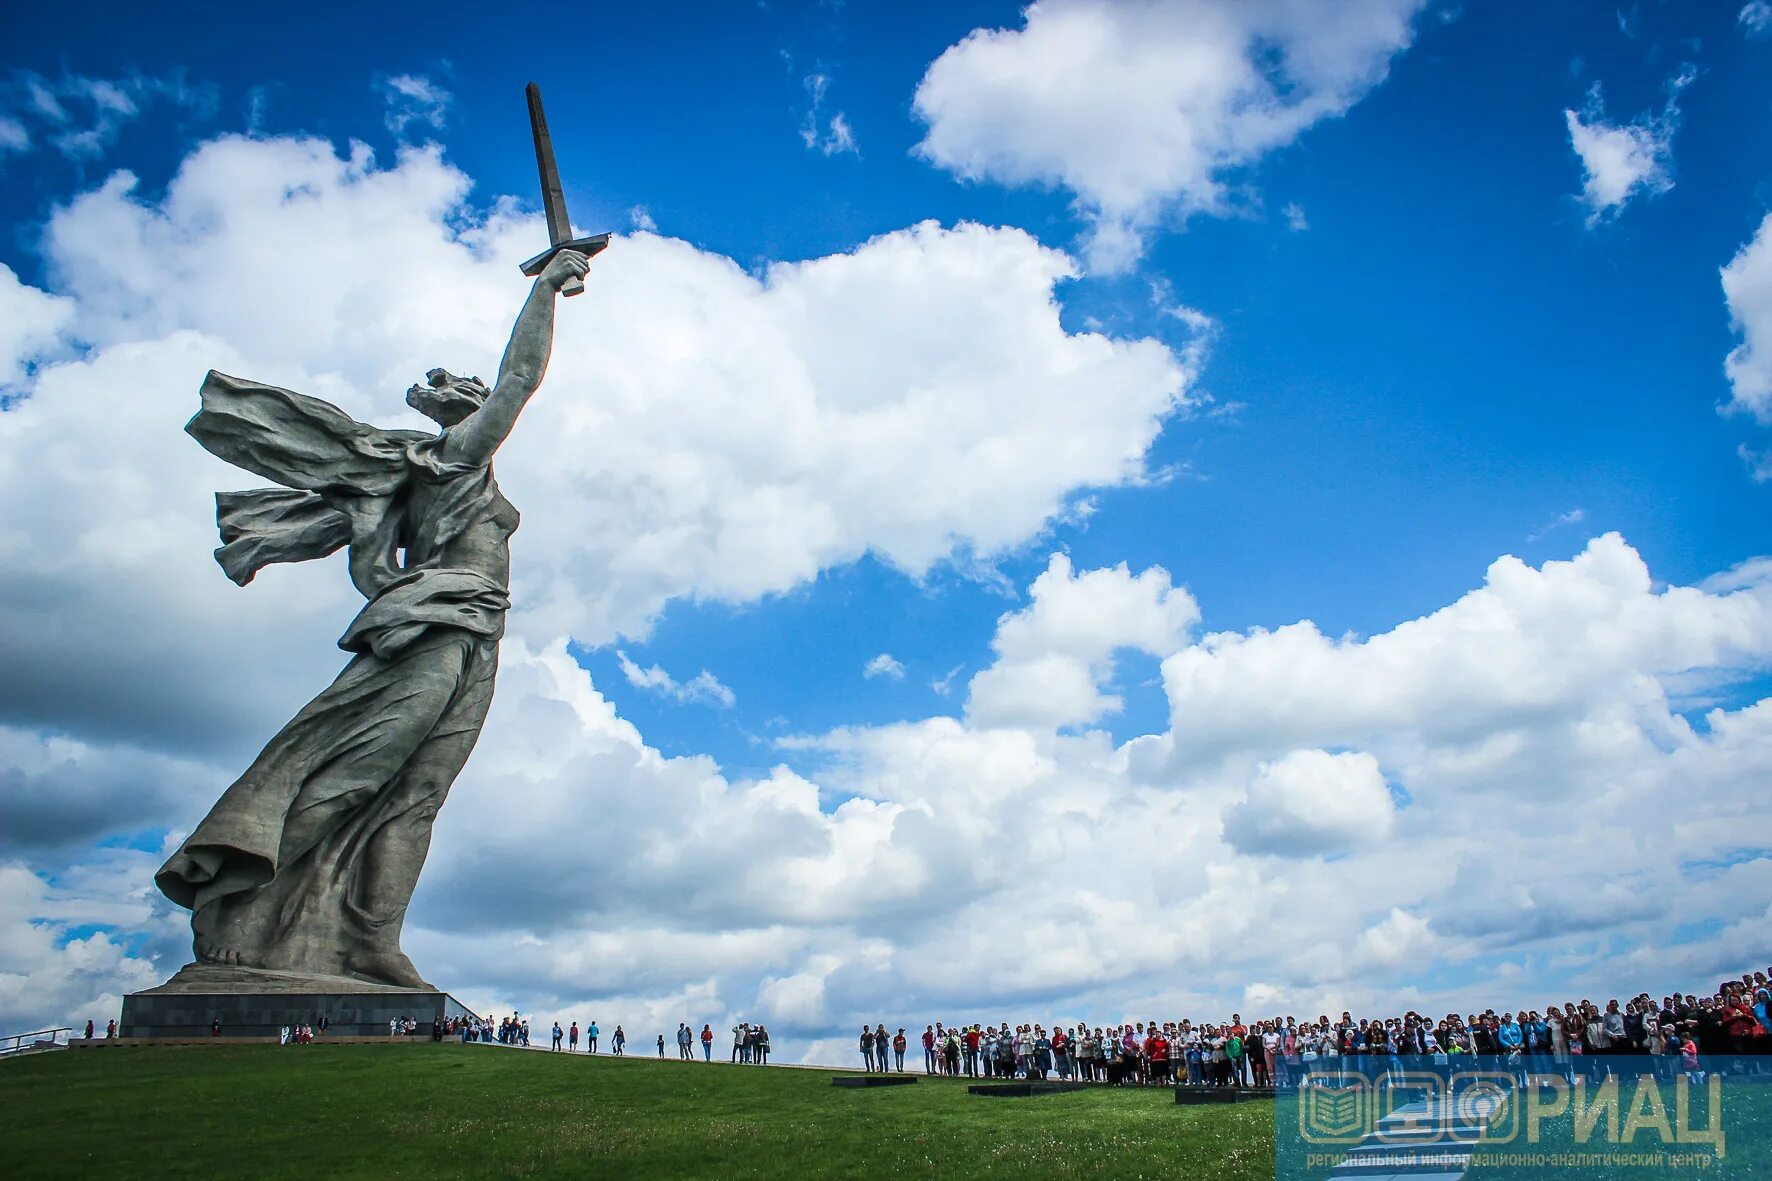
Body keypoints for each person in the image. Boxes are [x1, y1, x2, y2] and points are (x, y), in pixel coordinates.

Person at [154, 248, 594, 988]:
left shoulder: (454, 474)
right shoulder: (452, 459)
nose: (489, 406)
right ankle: (238, 909)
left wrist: (386, 581)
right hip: (435, 628)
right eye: (477, 400)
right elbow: (521, 379)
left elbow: (369, 562)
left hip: (478, 633)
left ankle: (370, 941)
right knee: (358, 777)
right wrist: (547, 291)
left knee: (417, 797)